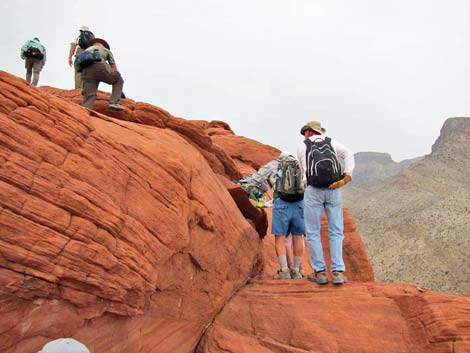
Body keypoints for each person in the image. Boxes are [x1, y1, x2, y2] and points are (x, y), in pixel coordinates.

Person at [297, 121, 354, 285]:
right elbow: (349, 153)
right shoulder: (332, 142)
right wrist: (347, 175)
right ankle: (337, 272)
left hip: (313, 190)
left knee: (313, 231)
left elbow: (304, 173)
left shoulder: (302, 146)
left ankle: (320, 272)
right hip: (334, 189)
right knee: (336, 230)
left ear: (308, 132)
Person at [78, 38, 125, 110]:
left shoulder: (86, 51)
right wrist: (118, 86)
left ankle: (86, 110)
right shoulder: (106, 50)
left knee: (90, 95)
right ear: (103, 45)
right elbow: (113, 66)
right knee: (119, 79)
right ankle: (114, 102)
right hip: (99, 67)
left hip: (86, 72)